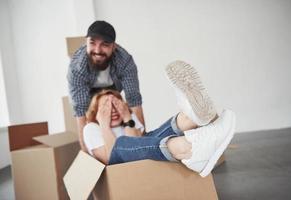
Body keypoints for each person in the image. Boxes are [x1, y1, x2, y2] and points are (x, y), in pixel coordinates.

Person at [83, 61, 236, 177]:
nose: (113, 109)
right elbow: (110, 159)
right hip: (119, 172)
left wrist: (127, 116)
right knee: (122, 144)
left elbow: (139, 143)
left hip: (142, 155)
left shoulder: (128, 118)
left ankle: (191, 117)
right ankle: (189, 148)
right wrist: (103, 123)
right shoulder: (92, 128)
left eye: (116, 104)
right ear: (96, 112)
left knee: (149, 136)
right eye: (106, 107)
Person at [67, 20, 145, 152]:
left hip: (114, 88)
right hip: (89, 94)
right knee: (94, 127)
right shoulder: (77, 68)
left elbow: (134, 101)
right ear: (86, 42)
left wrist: (143, 142)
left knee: (123, 118)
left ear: (114, 47)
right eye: (92, 43)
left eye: (105, 45)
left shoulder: (125, 61)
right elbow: (80, 111)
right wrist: (87, 152)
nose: (97, 50)